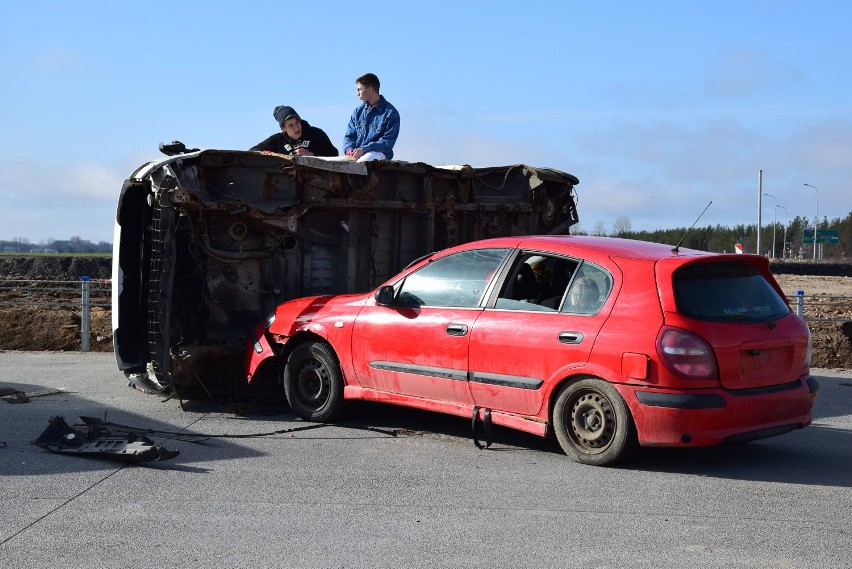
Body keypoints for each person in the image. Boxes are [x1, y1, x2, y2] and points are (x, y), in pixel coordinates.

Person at [343, 73, 400, 162]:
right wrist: (349, 150)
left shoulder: (391, 113)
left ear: (370, 90)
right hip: (357, 153)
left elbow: (387, 142)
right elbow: (349, 136)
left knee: (362, 162)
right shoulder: (357, 112)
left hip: (378, 153)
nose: (357, 94)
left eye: (359, 90)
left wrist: (364, 149)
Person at [250, 106, 338, 157]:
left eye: (297, 123)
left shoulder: (316, 134)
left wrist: (312, 154)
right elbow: (252, 152)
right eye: (290, 125)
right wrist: (273, 156)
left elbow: (334, 154)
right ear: (284, 128)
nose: (296, 128)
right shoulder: (277, 140)